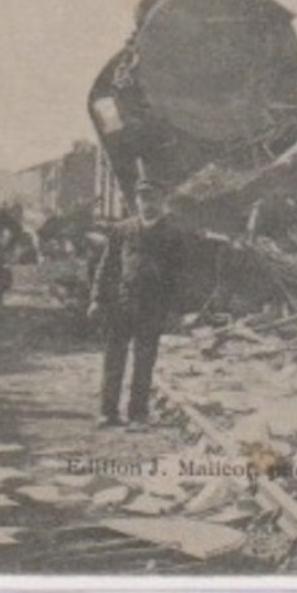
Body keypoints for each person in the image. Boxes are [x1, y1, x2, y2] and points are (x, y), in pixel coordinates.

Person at [87, 179, 187, 429]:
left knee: (144, 362)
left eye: (152, 198)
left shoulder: (173, 235)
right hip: (121, 303)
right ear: (137, 201)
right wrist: (97, 299)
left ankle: (137, 415)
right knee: (113, 359)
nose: (147, 203)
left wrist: (175, 310)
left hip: (153, 306)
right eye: (143, 198)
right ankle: (108, 412)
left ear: (162, 201)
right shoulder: (122, 230)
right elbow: (107, 267)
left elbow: (179, 277)